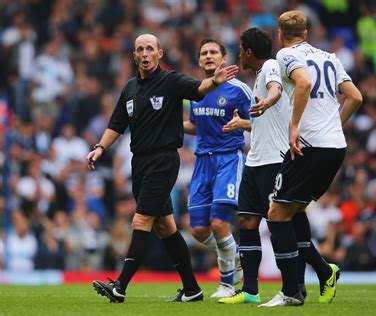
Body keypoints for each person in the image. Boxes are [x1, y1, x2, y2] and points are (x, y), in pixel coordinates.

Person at [86, 33, 239, 303]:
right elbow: (116, 125)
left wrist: (214, 81)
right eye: (139, 50)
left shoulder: (171, 81)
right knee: (165, 227)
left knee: (141, 220)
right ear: (134, 56)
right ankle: (192, 289)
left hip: (163, 161)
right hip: (140, 163)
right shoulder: (130, 88)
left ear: (160, 54)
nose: (144, 54)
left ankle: (120, 286)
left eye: (149, 49)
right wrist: (100, 147)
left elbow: (198, 88)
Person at [219, 27, 343, 305]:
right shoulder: (259, 77)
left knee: (286, 221)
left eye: (240, 49)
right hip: (256, 159)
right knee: (248, 220)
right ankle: (250, 291)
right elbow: (268, 118)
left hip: (275, 159)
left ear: (248, 52)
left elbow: (274, 90)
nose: (238, 53)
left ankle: (317, 275)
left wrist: (270, 98)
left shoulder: (273, 66)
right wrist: (244, 124)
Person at [260, 11, 362, 307]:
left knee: (276, 214)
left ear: (280, 33)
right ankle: (323, 272)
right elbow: (355, 97)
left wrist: (294, 127)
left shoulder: (285, 55)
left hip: (309, 145)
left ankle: (291, 291)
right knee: (294, 212)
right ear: (307, 32)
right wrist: (335, 124)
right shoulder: (331, 56)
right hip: (334, 147)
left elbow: (302, 83)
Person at [183, 38, 251, 299]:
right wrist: (170, 125)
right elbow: (194, 125)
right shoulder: (196, 91)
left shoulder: (239, 90)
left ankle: (227, 284)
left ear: (224, 58)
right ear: (199, 60)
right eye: (204, 53)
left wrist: (242, 124)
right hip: (202, 162)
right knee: (199, 230)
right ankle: (235, 255)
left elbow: (260, 123)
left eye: (213, 52)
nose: (208, 56)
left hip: (228, 159)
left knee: (219, 223)